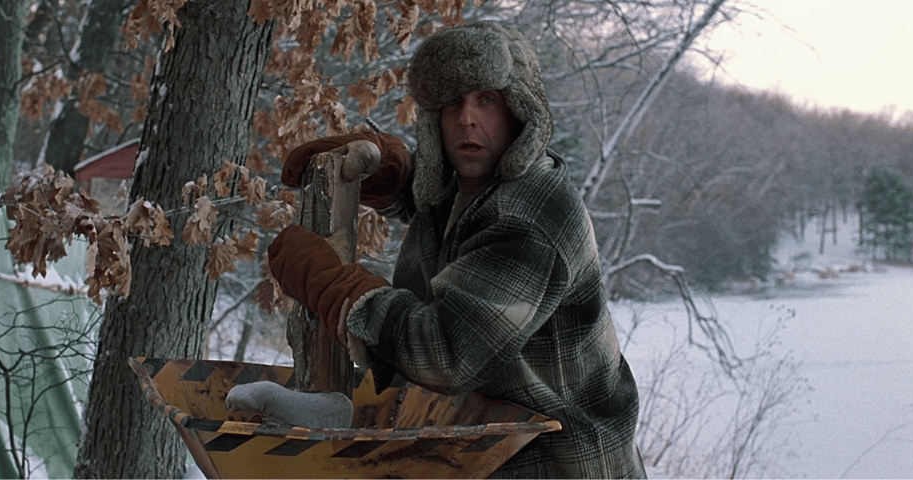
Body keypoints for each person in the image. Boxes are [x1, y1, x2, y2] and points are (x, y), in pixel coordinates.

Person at [269, 21, 646, 478]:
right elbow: (455, 216)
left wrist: (337, 289)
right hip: (489, 454)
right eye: (452, 102)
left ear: (519, 112)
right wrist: (397, 176)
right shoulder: (478, 184)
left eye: (486, 100)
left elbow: (448, 353)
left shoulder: (532, 216)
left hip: (560, 462)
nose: (467, 118)